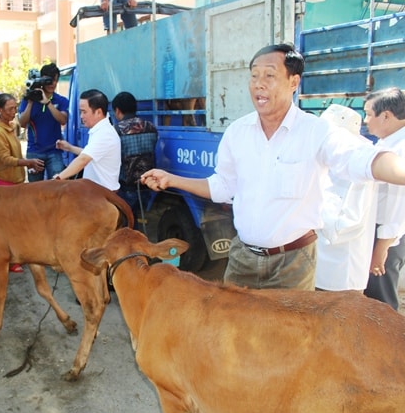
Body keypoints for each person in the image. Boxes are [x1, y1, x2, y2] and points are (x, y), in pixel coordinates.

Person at [141, 43, 405, 291]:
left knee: (287, 339)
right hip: (242, 258)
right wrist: (171, 179)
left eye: (269, 75)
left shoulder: (317, 131)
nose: (259, 85)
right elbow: (222, 187)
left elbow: (361, 158)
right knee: (235, 334)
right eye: (254, 76)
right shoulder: (237, 132)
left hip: (293, 263)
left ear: (293, 82)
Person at [315, 104, 378, 292]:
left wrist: (310, 217)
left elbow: (349, 222)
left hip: (341, 268)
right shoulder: (327, 159)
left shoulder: (358, 161)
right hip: (323, 263)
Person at [0, 93, 44, 273]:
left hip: (17, 182)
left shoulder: (9, 127)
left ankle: (18, 256)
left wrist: (27, 165)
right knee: (9, 226)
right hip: (6, 184)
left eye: (15, 108)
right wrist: (28, 162)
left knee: (18, 224)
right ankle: (11, 260)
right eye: (10, 109)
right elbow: (5, 159)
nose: (14, 112)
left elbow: (16, 156)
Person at [364, 87, 405, 310]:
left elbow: (399, 205)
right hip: (380, 233)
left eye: (369, 114)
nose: (366, 120)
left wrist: (382, 248)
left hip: (387, 236)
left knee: (382, 303)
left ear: (386, 116)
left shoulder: (400, 149)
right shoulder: (386, 143)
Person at [55, 89, 121, 191]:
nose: (81, 116)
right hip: (97, 192)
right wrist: (70, 148)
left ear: (98, 112)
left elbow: (83, 159)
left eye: (84, 112)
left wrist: (58, 178)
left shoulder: (104, 134)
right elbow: (91, 154)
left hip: (103, 195)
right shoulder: (100, 129)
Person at [111, 91, 158, 227]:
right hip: (146, 186)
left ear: (118, 110)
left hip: (126, 188)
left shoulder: (116, 130)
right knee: (137, 219)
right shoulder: (151, 127)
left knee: (125, 223)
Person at [18, 63, 69, 182]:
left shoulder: (61, 100)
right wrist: (31, 101)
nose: (53, 84)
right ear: (42, 80)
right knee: (35, 191)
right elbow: (22, 123)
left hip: (55, 151)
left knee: (57, 187)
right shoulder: (28, 100)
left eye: (56, 80)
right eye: (49, 80)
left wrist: (48, 103)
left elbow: (63, 120)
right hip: (34, 151)